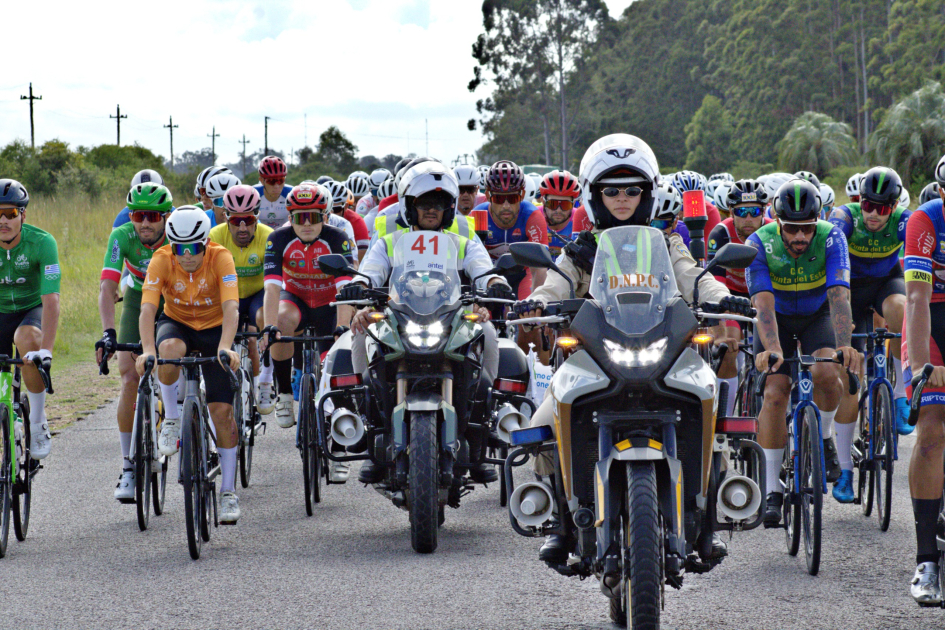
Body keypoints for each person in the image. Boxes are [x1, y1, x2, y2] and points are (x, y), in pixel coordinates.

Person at [512, 135, 747, 564]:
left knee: (710, 411)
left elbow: (692, 275)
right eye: (611, 189)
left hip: (664, 351)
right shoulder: (581, 249)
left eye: (632, 189)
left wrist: (720, 297)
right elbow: (555, 283)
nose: (622, 198)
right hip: (593, 357)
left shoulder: (667, 240)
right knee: (543, 426)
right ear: (594, 194)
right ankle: (561, 524)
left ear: (648, 193)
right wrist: (540, 301)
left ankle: (708, 520)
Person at [344, 162, 514, 485]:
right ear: (410, 206)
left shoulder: (462, 239)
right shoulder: (389, 242)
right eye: (424, 203)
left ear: (448, 208)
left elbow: (482, 267)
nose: (431, 210)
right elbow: (369, 271)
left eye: (438, 204)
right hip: (399, 316)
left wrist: (492, 282)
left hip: (452, 316)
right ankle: (372, 441)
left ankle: (479, 441)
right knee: (359, 334)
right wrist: (360, 288)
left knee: (488, 334)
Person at [745, 179, 860, 526]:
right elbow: (763, 305)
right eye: (791, 229)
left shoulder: (832, 237)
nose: (799, 237)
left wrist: (844, 345)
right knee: (776, 392)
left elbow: (839, 296)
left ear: (818, 221)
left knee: (827, 374)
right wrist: (773, 351)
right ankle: (771, 490)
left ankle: (824, 436)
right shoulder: (758, 243)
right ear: (776, 222)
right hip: (774, 316)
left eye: (806, 229)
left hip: (816, 314)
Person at [137, 207, 243, 523]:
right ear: (171, 244)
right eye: (179, 249)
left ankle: (227, 491)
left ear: (205, 242)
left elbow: (232, 306)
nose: (187, 257)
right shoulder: (161, 259)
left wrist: (225, 346)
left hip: (215, 328)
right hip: (178, 323)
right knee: (166, 349)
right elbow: (147, 310)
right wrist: (146, 350)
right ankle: (171, 417)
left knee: (222, 414)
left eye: (194, 248)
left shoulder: (221, 256)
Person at [258, 183, 356, 483]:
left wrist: (342, 330)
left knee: (343, 362)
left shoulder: (338, 238)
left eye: (314, 217)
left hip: (330, 304)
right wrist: (270, 327)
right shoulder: (278, 238)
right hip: (297, 299)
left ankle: (340, 447)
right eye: (300, 218)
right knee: (280, 321)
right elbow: (272, 288)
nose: (308, 224)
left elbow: (345, 291)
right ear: (290, 217)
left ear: (325, 216)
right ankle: (285, 392)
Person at [829, 166, 912, 464]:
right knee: (852, 368)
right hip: (849, 285)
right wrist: (842, 316)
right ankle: (845, 465)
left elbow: (918, 263)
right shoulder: (844, 217)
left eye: (882, 208)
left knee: (902, 309)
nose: (873, 214)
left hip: (885, 282)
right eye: (868, 205)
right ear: (859, 201)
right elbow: (835, 269)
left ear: (894, 207)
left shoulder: (905, 220)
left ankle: (901, 394)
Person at [97, 183, 172, 501]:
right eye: (138, 215)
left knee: (171, 361)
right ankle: (128, 467)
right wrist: (108, 333)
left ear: (165, 218)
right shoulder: (122, 236)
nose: (145, 223)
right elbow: (107, 286)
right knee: (128, 375)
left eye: (153, 216)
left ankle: (174, 416)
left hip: (172, 297)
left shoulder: (175, 236)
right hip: (138, 296)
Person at [901, 152, 945, 605]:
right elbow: (914, 298)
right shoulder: (925, 220)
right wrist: (918, 371)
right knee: (932, 424)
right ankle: (926, 559)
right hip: (931, 316)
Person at [0, 179, 60, 461]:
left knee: (28, 342)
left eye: (10, 213)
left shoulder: (42, 242)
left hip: (30, 310)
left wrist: (45, 350)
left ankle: (37, 421)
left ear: (23, 215)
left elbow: (51, 300)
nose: (3, 220)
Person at [706, 179, 771, 417]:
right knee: (729, 345)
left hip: (764, 293)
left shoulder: (774, 232)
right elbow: (715, 286)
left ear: (763, 211)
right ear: (731, 212)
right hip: (730, 295)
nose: (748, 218)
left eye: (754, 211)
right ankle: (726, 417)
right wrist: (719, 333)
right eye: (741, 212)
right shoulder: (720, 233)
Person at [208, 184, 275, 413]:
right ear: (227, 218)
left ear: (257, 216)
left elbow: (275, 282)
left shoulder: (269, 237)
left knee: (263, 321)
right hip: (228, 294)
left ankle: (265, 379)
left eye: (248, 219)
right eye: (236, 221)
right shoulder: (215, 236)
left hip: (257, 293)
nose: (243, 226)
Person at [538, 170, 580, 258]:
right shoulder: (533, 216)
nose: (559, 210)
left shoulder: (580, 219)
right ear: (543, 201)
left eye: (565, 205)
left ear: (573, 203)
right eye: (553, 204)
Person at [326, 181, 371, 259]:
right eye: (327, 210)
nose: (331, 214)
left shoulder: (356, 221)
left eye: (336, 209)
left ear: (346, 206)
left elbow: (361, 259)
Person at [254, 156, 294, 229]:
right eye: (271, 181)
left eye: (280, 180)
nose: (276, 186)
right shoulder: (253, 194)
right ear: (262, 181)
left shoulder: (292, 194)